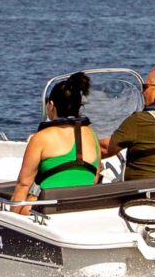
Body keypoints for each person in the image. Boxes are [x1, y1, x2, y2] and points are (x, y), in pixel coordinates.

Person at [11, 72, 101, 215]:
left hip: (49, 210)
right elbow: (94, 178)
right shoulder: (92, 135)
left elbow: (23, 184)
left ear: (51, 105)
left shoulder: (41, 138)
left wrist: (12, 215)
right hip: (83, 208)